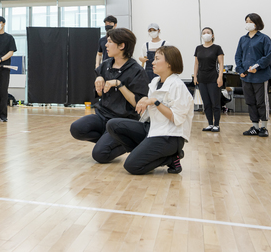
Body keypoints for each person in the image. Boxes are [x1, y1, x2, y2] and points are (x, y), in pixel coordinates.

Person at [106, 45, 194, 175]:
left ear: (169, 63)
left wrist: (154, 102)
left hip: (170, 136)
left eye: (157, 59)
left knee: (131, 166)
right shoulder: (155, 81)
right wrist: (145, 100)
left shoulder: (178, 86)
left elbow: (177, 118)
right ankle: (149, 154)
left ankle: (171, 157)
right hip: (153, 129)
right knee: (113, 125)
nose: (152, 62)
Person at [70, 28, 149, 163]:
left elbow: (137, 104)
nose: (106, 45)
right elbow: (100, 93)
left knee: (100, 155)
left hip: (121, 121)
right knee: (76, 129)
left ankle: (129, 143)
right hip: (103, 115)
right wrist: (99, 80)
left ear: (122, 46)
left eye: (109, 42)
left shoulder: (137, 71)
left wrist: (119, 84)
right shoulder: (105, 65)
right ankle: (108, 140)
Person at [234, 13, 271, 138]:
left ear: (257, 23)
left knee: (261, 102)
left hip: (260, 76)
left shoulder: (264, 38)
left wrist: (257, 67)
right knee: (250, 101)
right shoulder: (243, 39)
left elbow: (268, 56)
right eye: (246, 21)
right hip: (246, 77)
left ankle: (264, 127)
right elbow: (238, 56)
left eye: (250, 21)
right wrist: (240, 69)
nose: (248, 23)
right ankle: (255, 126)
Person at [193, 27, 224, 132]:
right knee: (206, 103)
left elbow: (221, 64)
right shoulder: (198, 48)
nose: (206, 34)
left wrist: (220, 77)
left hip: (213, 78)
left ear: (212, 35)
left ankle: (216, 124)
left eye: (208, 32)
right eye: (204, 33)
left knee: (215, 102)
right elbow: (196, 63)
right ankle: (210, 124)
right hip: (202, 78)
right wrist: (195, 76)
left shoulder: (217, 48)